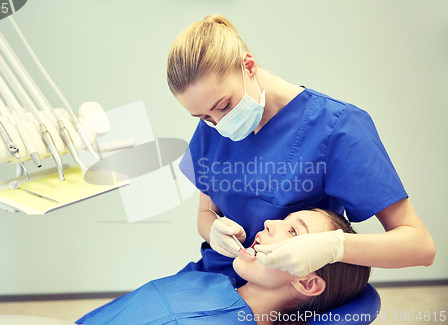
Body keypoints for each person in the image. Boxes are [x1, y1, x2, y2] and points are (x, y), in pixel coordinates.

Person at [168, 14, 435, 286]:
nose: (219, 123)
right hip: (214, 275)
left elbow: (420, 246)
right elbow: (205, 214)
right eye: (203, 117)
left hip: (281, 288)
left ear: (248, 66)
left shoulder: (338, 128)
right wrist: (213, 231)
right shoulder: (214, 127)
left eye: (224, 106)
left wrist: (333, 246)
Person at [76, 209, 371, 325]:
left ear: (307, 283)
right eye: (285, 219)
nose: (270, 223)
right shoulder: (210, 280)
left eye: (294, 232)